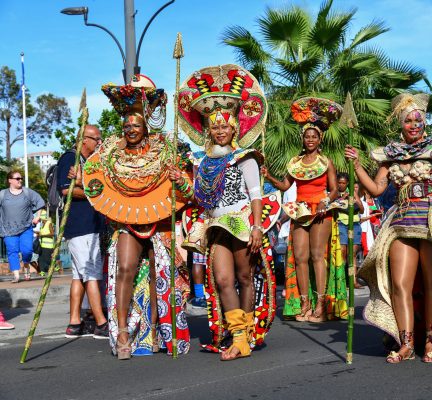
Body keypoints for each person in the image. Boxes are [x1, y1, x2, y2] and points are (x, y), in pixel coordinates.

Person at [345, 92, 432, 363]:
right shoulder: (390, 154)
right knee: (399, 284)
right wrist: (358, 166)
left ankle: (431, 343)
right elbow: (376, 189)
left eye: (418, 120)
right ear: (401, 123)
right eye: (408, 121)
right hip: (401, 220)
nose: (414, 125)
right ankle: (406, 343)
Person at [83, 75, 192, 359]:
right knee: (125, 269)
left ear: (146, 126)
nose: (131, 129)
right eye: (127, 125)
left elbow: (188, 190)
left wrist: (178, 179)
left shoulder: (167, 149)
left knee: (160, 275)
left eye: (136, 124)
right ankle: (121, 334)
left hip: (159, 218)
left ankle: (155, 329)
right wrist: (79, 178)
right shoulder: (108, 152)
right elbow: (95, 180)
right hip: (125, 220)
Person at [177, 64, 276, 360]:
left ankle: (244, 339)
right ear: (209, 129)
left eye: (225, 125)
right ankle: (236, 334)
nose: (220, 130)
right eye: (215, 126)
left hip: (243, 222)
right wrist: (178, 178)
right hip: (216, 223)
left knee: (245, 278)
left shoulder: (245, 158)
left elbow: (256, 195)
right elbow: (197, 194)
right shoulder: (201, 161)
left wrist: (257, 227)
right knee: (222, 280)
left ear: (234, 126)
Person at [262, 97, 347, 323]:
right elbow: (285, 185)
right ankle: (303, 303)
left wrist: (325, 202)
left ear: (320, 139)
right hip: (299, 210)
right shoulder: (295, 162)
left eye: (314, 136)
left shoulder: (326, 161)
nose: (310, 139)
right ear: (303, 139)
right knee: (300, 257)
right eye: (307, 136)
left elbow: (334, 190)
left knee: (318, 256)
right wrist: (268, 176)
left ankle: (321, 304)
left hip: (320, 212)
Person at [57, 125, 108, 339]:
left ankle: (75, 323)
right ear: (84, 139)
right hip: (81, 225)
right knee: (91, 274)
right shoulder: (70, 158)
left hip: (90, 225)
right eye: (96, 139)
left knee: (79, 275)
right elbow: (67, 189)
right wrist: (91, 190)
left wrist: (85, 183)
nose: (99, 143)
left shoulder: (87, 162)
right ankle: (101, 323)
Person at [0, 171, 45, 283]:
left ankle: (26, 264)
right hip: (8, 229)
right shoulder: (2, 194)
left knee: (27, 250)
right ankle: (16, 276)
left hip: (25, 228)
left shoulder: (27, 192)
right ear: (10, 180)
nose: (20, 180)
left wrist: (37, 217)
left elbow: (40, 202)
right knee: (12, 251)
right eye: (17, 178)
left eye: (21, 178)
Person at [336, 174, 364, 288]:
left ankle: (353, 281)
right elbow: (332, 206)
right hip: (342, 224)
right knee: (342, 253)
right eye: (339, 182)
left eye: (343, 183)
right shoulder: (334, 193)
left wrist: (352, 199)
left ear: (347, 183)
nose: (341, 185)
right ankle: (341, 281)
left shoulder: (353, 193)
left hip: (355, 224)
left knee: (352, 254)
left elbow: (361, 209)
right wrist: (343, 199)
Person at [36, 209, 55, 277]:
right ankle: (42, 272)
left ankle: (55, 266)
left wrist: (42, 235)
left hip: (48, 246)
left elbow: (52, 234)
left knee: (46, 259)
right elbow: (42, 233)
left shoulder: (49, 223)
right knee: (41, 259)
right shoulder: (42, 224)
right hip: (43, 245)